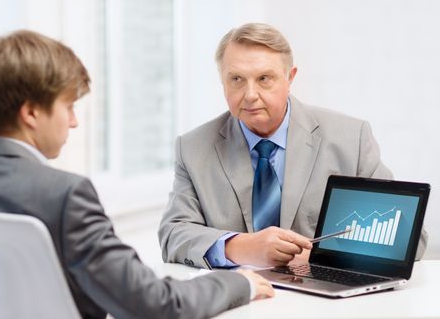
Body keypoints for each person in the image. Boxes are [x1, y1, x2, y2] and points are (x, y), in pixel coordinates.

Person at [0, 30, 275, 319]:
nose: (73, 120)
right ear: (31, 114)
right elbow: (156, 304)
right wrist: (236, 283)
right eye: (67, 106)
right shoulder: (64, 196)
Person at [158, 22, 427, 269]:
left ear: (290, 78)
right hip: (238, 299)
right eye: (236, 79)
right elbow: (173, 234)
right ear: (222, 81)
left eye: (264, 78)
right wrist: (238, 246)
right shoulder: (193, 148)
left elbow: (409, 238)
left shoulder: (350, 138)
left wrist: (324, 255)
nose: (250, 95)